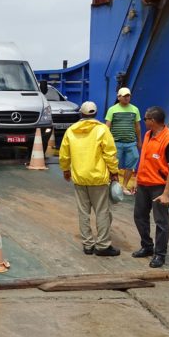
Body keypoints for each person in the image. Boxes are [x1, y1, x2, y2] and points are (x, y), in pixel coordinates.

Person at [59, 101, 121, 256]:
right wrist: (114, 172)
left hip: (79, 177)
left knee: (83, 212)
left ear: (81, 113)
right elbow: (110, 154)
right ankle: (103, 245)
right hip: (98, 178)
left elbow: (64, 153)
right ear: (95, 114)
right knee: (102, 212)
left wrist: (66, 170)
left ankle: (88, 245)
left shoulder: (71, 130)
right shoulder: (102, 130)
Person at [132, 106, 169, 268]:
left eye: (145, 118)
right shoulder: (147, 135)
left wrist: (166, 193)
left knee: (161, 221)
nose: (143, 121)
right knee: (139, 216)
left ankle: (160, 254)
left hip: (159, 186)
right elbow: (144, 159)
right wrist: (137, 180)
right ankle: (147, 246)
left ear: (152, 120)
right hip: (144, 183)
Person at [105, 87, 142, 195]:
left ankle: (124, 186)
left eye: (128, 96)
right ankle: (112, 183)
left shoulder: (135, 110)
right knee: (113, 164)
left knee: (132, 161)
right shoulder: (112, 109)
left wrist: (139, 140)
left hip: (131, 142)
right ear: (119, 97)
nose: (127, 98)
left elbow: (137, 127)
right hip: (116, 142)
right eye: (124, 96)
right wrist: (106, 141)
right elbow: (107, 126)